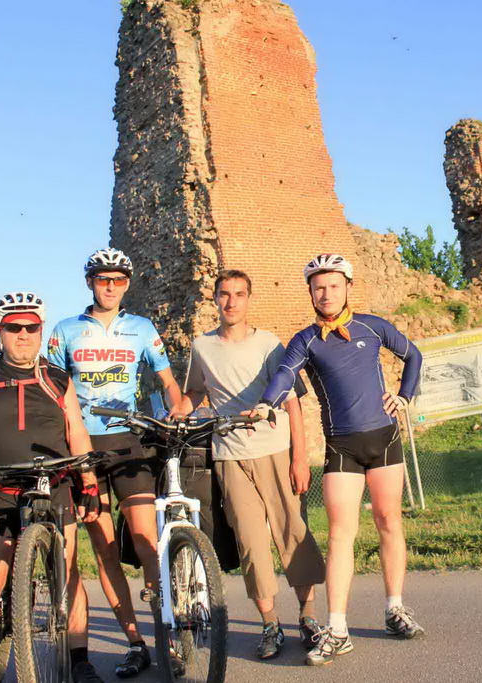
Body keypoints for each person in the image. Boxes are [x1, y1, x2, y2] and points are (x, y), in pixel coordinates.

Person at [253, 254, 425, 666]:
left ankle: (395, 609)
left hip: (385, 438)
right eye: (318, 287)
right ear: (310, 293)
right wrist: (266, 403)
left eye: (333, 285)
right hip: (342, 446)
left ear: (348, 287)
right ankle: (338, 628)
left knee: (389, 521)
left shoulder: (372, 326)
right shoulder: (306, 340)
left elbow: (414, 356)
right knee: (340, 535)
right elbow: (284, 374)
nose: (326, 293)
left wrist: (404, 396)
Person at [0, 291, 103, 683]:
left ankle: (80, 661)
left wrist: (88, 481)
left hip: (55, 484)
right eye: (13, 327)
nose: (23, 334)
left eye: (31, 327)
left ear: (40, 330)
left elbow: (77, 432)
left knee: (67, 574)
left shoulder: (57, 378)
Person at [47, 248, 186, 678]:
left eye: (119, 280)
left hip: (126, 443)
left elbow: (167, 382)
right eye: (103, 279)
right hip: (81, 446)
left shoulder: (141, 328)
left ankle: (169, 635)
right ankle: (135, 643)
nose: (110, 287)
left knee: (147, 541)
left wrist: (178, 410)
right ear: (90, 283)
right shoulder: (66, 330)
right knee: (104, 550)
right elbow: (50, 390)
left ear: (127, 284)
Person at [177, 269, 326, 659]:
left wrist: (299, 458)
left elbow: (292, 401)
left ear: (249, 298)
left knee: (292, 533)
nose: (231, 302)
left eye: (239, 294)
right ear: (214, 298)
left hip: (274, 450)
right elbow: (196, 391)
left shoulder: (269, 344)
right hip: (229, 455)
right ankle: (270, 625)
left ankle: (308, 618)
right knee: (251, 543)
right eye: (224, 294)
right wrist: (177, 411)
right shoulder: (202, 347)